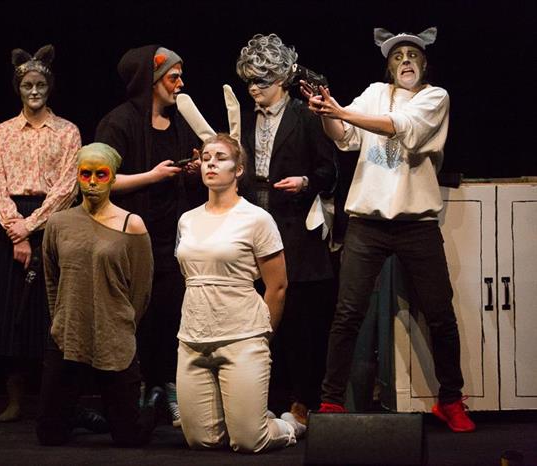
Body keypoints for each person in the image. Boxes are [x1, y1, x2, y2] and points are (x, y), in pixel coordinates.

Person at [304, 27, 475, 432]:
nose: (406, 61)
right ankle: (331, 401)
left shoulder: (435, 97)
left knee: (440, 315)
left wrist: (341, 112)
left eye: (412, 55)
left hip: (417, 224)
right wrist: (328, 114)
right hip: (367, 223)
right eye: (398, 57)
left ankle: (450, 400)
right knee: (347, 313)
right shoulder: (374, 93)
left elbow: (400, 126)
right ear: (389, 67)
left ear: (424, 64)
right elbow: (345, 138)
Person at [94, 45, 204, 427]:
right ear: (151, 80)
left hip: (172, 237)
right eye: (173, 77)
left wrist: (193, 171)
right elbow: (101, 180)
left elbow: (192, 174)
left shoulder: (179, 122)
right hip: (130, 238)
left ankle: (170, 388)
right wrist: (151, 176)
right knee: (136, 319)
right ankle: (134, 391)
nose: (180, 84)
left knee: (171, 314)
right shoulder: (118, 122)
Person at [175, 133, 305, 453]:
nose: (211, 164)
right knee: (200, 440)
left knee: (249, 441)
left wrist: (263, 336)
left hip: (243, 337)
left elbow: (277, 286)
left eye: (221, 158)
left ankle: (289, 425)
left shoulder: (256, 219)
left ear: (239, 170)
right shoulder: (187, 220)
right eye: (206, 158)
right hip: (193, 338)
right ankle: (250, 417)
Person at [0, 44, 81, 422]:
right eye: (27, 85)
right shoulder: (2, 132)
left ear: (50, 87)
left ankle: (51, 400)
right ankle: (15, 399)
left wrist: (31, 226)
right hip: (9, 226)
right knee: (11, 317)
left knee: (50, 314)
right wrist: (16, 232)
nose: (34, 91)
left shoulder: (67, 131)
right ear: (18, 88)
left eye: (40, 85)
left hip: (51, 221)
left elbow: (67, 187)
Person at [236, 33, 338, 422]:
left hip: (295, 225)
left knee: (299, 319)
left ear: (281, 79)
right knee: (261, 315)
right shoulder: (245, 119)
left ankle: (302, 398)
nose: (254, 89)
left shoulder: (305, 116)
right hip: (255, 220)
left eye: (261, 81)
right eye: (250, 81)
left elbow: (330, 170)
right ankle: (265, 396)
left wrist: (306, 182)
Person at [36, 142, 162, 447]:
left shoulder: (131, 225)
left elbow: (141, 288)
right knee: (49, 436)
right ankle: (74, 414)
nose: (92, 182)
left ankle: (154, 404)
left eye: (101, 174)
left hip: (113, 335)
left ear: (113, 178)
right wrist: (60, 320)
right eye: (86, 174)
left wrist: (123, 324)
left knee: (129, 438)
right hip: (68, 333)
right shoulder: (59, 223)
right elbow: (52, 279)